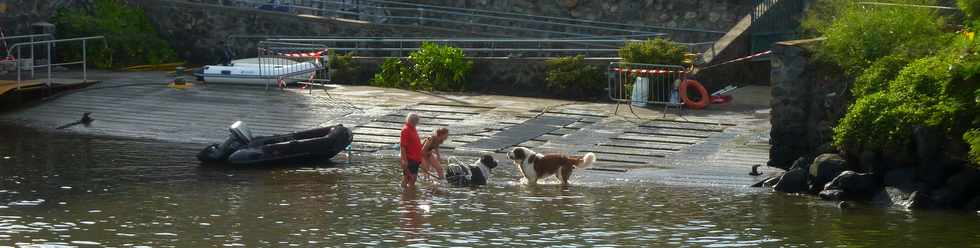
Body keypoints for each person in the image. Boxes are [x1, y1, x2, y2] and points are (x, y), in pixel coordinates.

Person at [400, 113, 423, 188]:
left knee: (413, 179)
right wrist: (404, 160)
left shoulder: (413, 128)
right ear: (411, 121)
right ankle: (406, 195)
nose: (416, 123)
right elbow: (403, 146)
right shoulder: (405, 130)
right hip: (410, 159)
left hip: (415, 158)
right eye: (415, 122)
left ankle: (409, 195)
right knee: (408, 178)